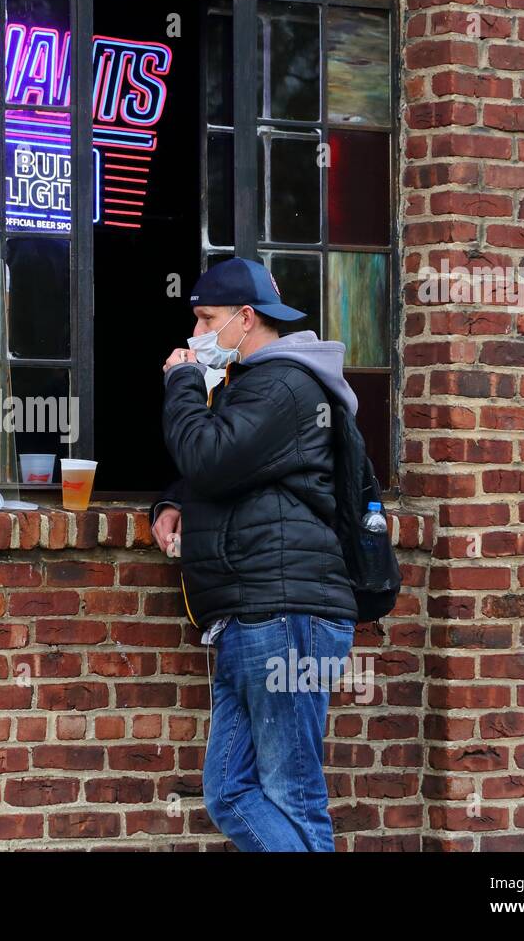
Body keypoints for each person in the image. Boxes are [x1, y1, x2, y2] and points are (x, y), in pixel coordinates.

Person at [151, 257, 358, 852]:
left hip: (285, 611)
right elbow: (230, 470)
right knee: (228, 790)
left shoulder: (284, 382)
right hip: (255, 614)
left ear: (246, 318)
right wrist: (171, 501)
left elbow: (212, 457)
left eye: (206, 319)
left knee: (293, 794)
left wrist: (184, 381)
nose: (196, 334)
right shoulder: (257, 382)